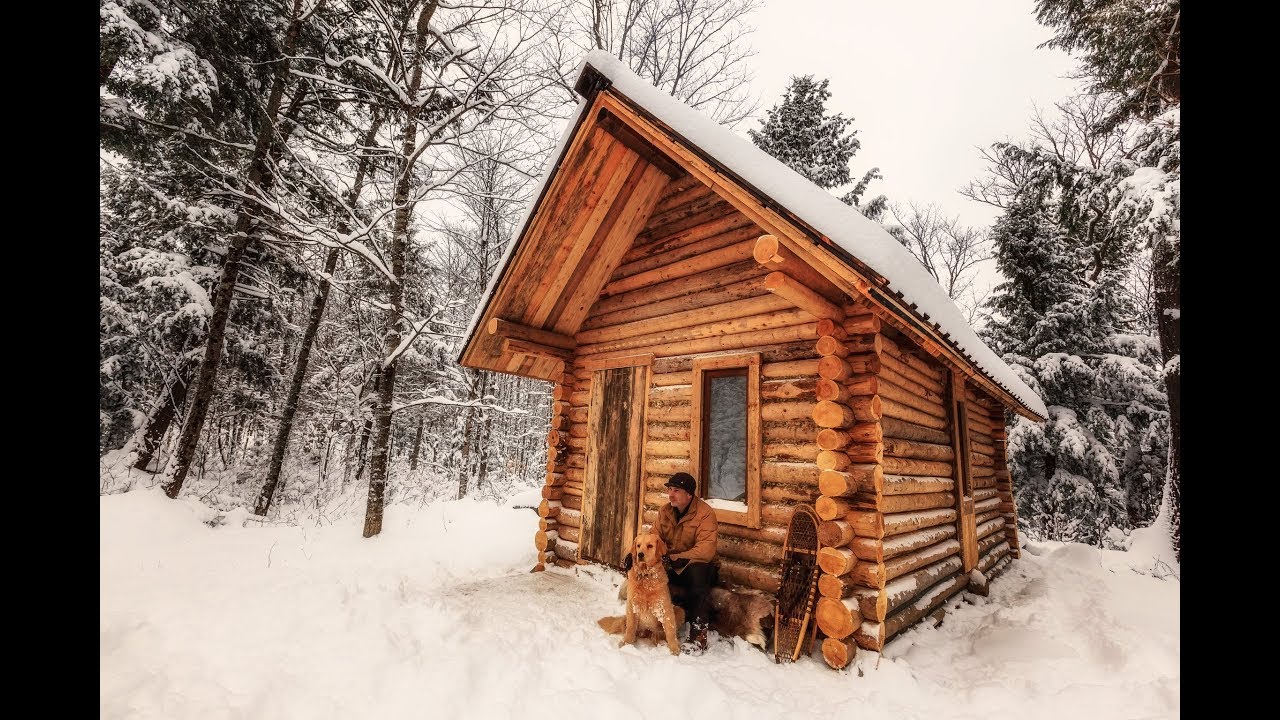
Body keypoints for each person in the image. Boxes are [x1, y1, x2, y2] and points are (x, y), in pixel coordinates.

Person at [656, 471, 718, 653]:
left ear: (689, 495)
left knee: (698, 572)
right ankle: (653, 624)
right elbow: (654, 538)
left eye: (676, 490)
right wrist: (635, 553)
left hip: (696, 567)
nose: (671, 494)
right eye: (669, 490)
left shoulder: (705, 514)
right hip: (672, 566)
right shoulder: (665, 511)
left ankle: (698, 636)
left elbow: (707, 549)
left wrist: (680, 558)